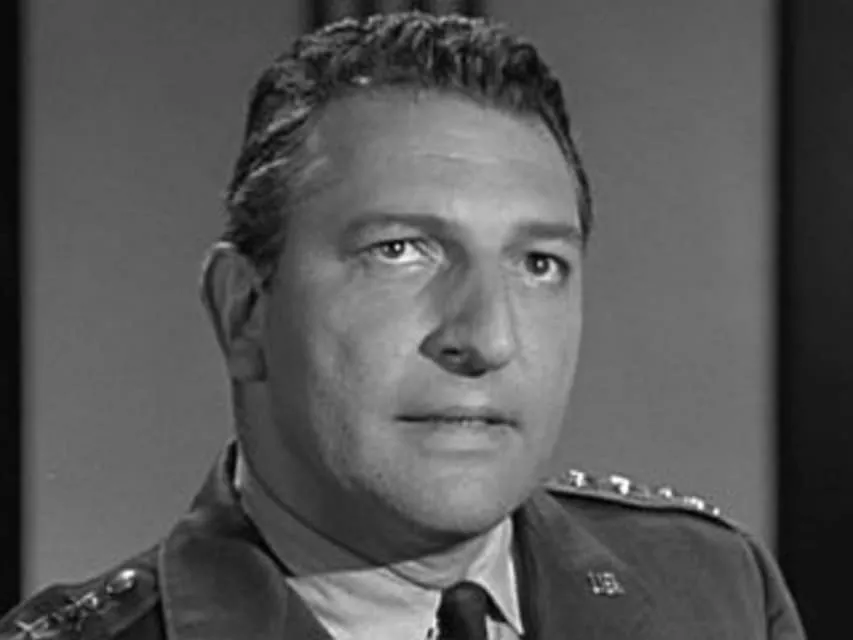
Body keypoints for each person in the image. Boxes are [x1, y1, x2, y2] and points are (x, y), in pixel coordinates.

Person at [2, 10, 806, 640]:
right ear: (244, 311)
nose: (486, 339)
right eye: (399, 251)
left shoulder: (716, 593)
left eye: (537, 264)